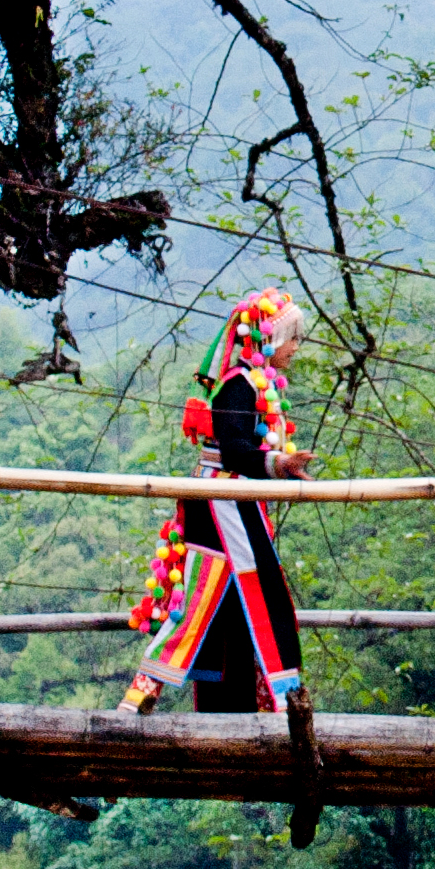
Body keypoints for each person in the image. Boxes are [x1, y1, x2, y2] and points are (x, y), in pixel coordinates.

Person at [126, 287, 315, 712]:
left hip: (233, 498)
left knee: (227, 594)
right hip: (221, 498)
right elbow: (232, 449)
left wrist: (277, 466)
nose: (295, 348)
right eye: (291, 338)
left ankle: (244, 700)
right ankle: (277, 699)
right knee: (225, 586)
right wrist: (278, 464)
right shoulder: (238, 384)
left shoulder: (254, 383)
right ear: (267, 339)